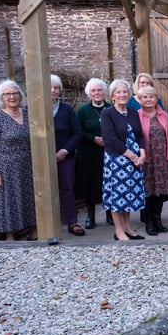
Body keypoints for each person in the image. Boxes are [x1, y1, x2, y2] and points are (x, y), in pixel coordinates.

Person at [0, 80, 37, 240]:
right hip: (6, 169)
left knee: (32, 198)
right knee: (9, 201)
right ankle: (10, 236)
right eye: (8, 94)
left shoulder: (27, 113)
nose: (12, 97)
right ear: (1, 97)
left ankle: (34, 231)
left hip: (28, 166)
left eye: (15, 93)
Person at [101, 79, 146, 241]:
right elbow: (110, 139)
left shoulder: (133, 112)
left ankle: (127, 227)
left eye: (125, 92)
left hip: (134, 162)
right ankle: (118, 230)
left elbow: (140, 135)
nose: (122, 95)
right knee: (117, 196)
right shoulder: (107, 114)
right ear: (112, 96)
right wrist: (132, 155)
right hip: (117, 161)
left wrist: (142, 154)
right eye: (118, 92)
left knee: (129, 195)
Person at [137, 85, 168, 235]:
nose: (148, 99)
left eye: (151, 96)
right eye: (145, 97)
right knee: (148, 191)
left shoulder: (164, 115)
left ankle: (157, 219)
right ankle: (148, 222)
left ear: (156, 98)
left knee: (160, 192)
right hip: (147, 159)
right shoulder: (136, 115)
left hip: (162, 159)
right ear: (139, 99)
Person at [50, 74, 84, 236]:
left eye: (56, 87)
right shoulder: (32, 110)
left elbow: (77, 133)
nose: (53, 90)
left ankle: (71, 222)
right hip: (41, 159)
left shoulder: (67, 110)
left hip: (65, 156)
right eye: (50, 87)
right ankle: (43, 224)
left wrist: (65, 151)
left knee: (67, 188)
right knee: (43, 190)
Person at [76, 78, 111, 229]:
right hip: (88, 153)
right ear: (89, 94)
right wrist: (93, 139)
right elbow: (77, 132)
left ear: (104, 92)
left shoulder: (110, 108)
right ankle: (91, 217)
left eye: (99, 90)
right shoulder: (83, 111)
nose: (97, 93)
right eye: (93, 91)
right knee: (90, 185)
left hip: (108, 153)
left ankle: (111, 214)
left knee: (109, 184)